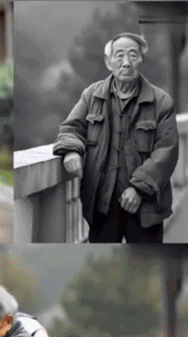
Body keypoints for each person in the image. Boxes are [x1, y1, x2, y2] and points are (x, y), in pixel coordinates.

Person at [53, 32, 178, 243]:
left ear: (142, 61)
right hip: (101, 204)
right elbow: (71, 128)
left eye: (133, 55)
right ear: (108, 62)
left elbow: (167, 151)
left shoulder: (162, 103)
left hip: (145, 206)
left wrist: (139, 189)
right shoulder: (92, 95)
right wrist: (72, 150)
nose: (126, 62)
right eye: (119, 56)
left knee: (146, 260)